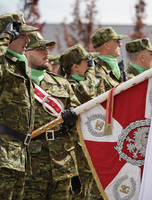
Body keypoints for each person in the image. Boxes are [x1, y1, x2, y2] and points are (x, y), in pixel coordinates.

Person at [0, 13, 39, 199]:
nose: (28, 39)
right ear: (9, 35)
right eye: (22, 34)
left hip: (17, 152)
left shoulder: (18, 64)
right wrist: (5, 37)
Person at [23, 31, 80, 200]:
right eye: (40, 49)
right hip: (31, 166)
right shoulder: (16, 83)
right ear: (25, 53)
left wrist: (72, 121)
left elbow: (78, 114)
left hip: (62, 163)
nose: (47, 52)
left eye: (47, 48)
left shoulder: (61, 83)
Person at [60, 44, 105, 199]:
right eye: (88, 62)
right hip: (76, 154)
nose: (91, 65)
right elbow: (88, 91)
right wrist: (92, 71)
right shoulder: (72, 85)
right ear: (75, 67)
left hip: (87, 151)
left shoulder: (83, 82)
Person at [90, 26, 127, 91]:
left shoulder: (113, 68)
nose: (120, 44)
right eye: (117, 41)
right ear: (107, 45)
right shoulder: (96, 70)